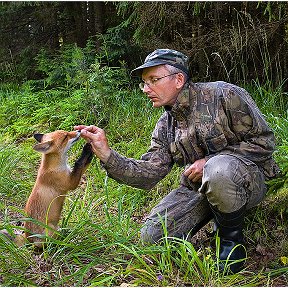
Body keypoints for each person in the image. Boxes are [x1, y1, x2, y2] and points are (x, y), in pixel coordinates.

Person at [75, 49, 280, 273]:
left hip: (251, 179)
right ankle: (216, 208)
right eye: (143, 83)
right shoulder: (165, 126)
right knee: (151, 237)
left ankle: (230, 243)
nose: (146, 89)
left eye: (153, 80)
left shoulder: (224, 95)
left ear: (179, 79)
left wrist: (209, 161)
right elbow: (150, 172)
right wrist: (106, 153)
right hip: (201, 188)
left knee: (218, 169)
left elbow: (264, 142)